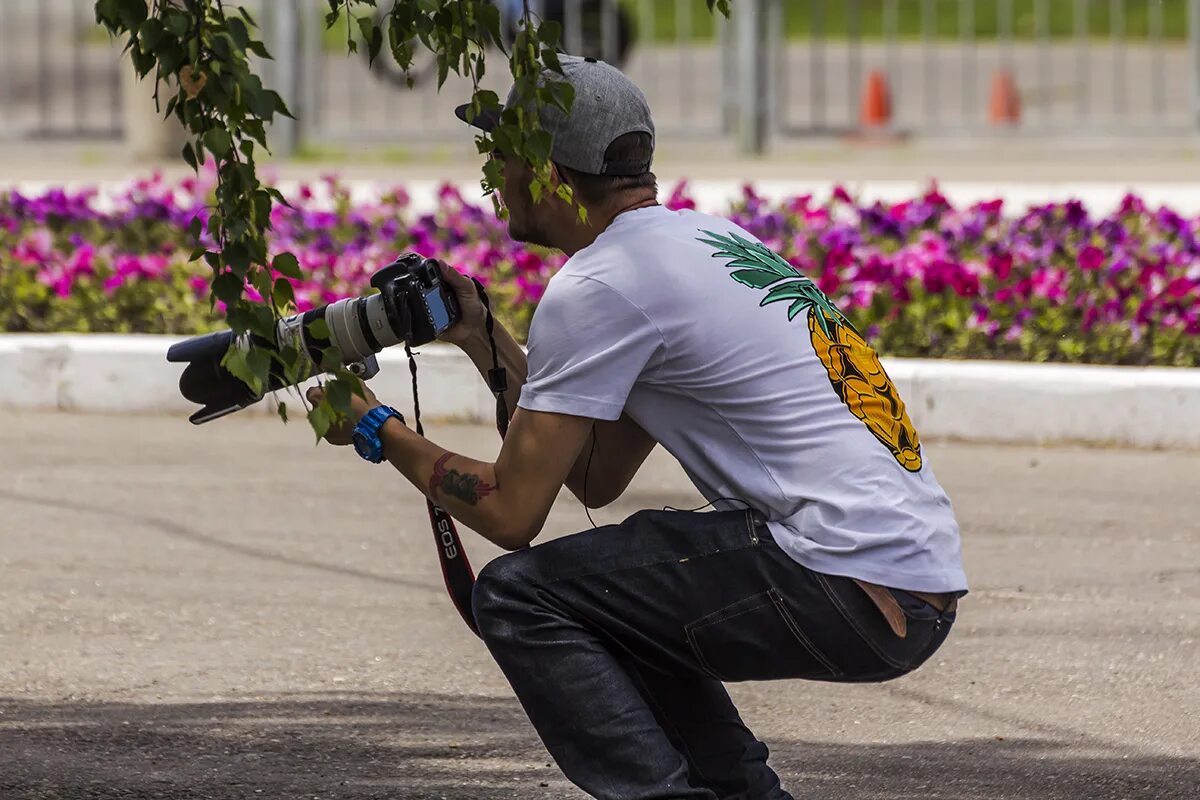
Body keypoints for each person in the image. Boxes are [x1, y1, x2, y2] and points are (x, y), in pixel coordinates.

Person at [307, 56, 967, 800]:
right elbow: (594, 476)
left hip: (841, 578)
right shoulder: (704, 242)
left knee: (522, 597)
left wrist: (376, 427)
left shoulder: (598, 286)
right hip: (908, 584)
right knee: (618, 594)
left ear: (550, 171)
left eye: (502, 155)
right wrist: (482, 336)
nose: (492, 173)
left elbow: (511, 513)